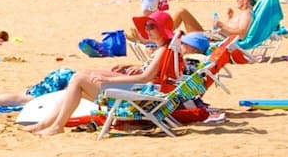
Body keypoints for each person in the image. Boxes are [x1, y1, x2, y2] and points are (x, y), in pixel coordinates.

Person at [23, 33, 210, 136]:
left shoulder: (188, 60)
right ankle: (47, 123)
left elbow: (147, 78)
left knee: (78, 80)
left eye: (183, 44)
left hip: (141, 101)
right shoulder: (175, 58)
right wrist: (134, 67)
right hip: (146, 97)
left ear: (192, 48)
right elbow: (155, 76)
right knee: (81, 76)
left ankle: (56, 125)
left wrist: (110, 80)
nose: (180, 45)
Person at [171, 0, 257, 39]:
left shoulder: (247, 13)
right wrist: (230, 18)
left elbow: (242, 33)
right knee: (181, 14)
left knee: (181, 11)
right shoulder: (245, 14)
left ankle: (165, 33)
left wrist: (222, 25)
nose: (237, 0)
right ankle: (165, 33)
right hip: (212, 36)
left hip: (210, 39)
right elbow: (234, 29)